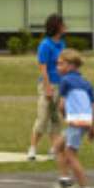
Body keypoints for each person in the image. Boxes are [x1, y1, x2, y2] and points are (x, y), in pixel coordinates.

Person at [51, 49, 94, 188]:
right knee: (57, 147)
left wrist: (65, 116)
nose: (57, 67)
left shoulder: (65, 81)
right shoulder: (86, 83)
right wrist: (93, 127)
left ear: (70, 65)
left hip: (75, 122)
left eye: (60, 64)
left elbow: (61, 105)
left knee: (71, 156)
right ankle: (65, 181)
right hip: (85, 121)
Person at [26, 14, 66, 163]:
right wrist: (47, 87)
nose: (65, 27)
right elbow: (43, 68)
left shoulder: (62, 44)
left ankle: (54, 148)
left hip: (60, 85)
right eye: (62, 24)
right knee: (43, 118)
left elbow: (64, 64)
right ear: (56, 26)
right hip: (47, 84)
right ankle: (32, 148)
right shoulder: (45, 44)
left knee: (56, 119)